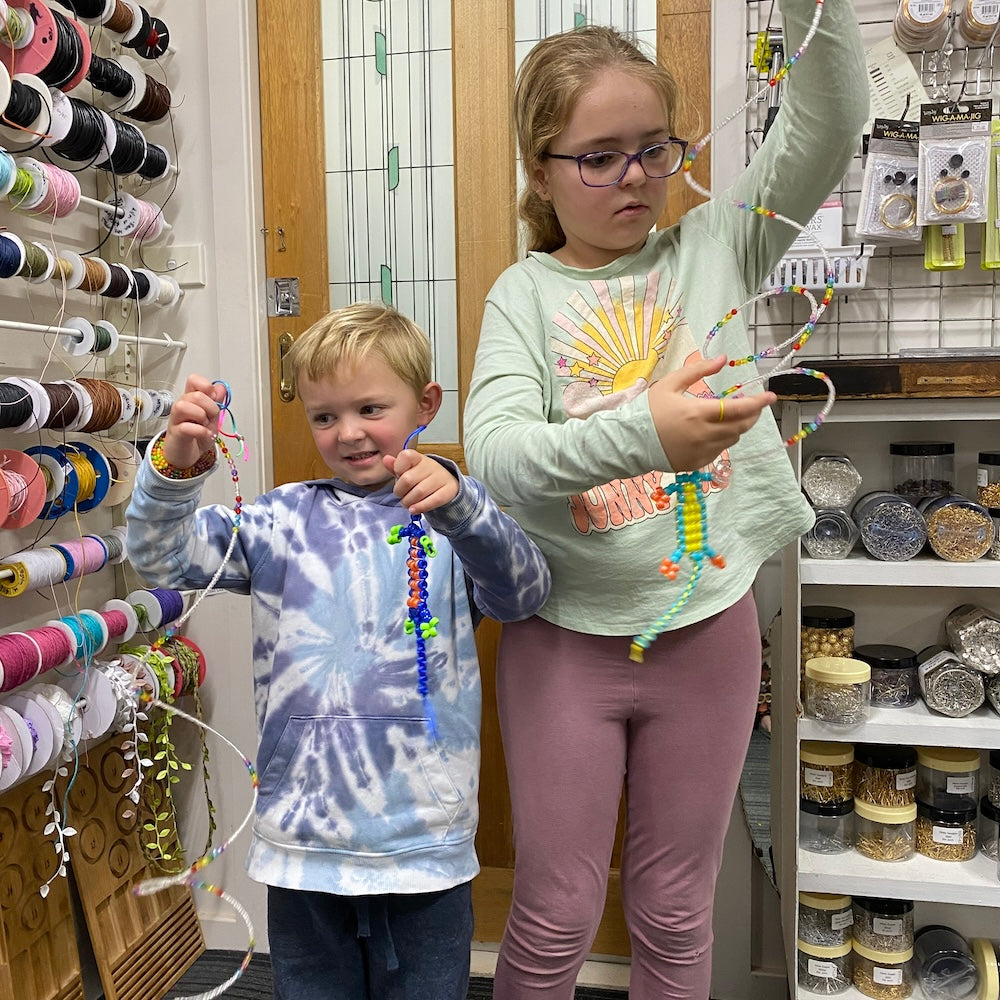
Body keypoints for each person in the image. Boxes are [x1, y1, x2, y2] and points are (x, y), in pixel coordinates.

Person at [462, 3, 868, 998]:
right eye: (597, 157)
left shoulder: (713, 248)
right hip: (565, 638)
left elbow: (831, 116)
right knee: (555, 916)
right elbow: (497, 456)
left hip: (710, 632)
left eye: (653, 148)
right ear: (541, 168)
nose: (634, 175)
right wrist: (649, 430)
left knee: (677, 913)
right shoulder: (524, 294)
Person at [126, 302, 551, 1000]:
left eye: (369, 408)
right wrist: (173, 468)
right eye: (325, 417)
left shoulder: (455, 512)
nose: (348, 432)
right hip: (304, 849)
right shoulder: (278, 520)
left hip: (425, 848)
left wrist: (465, 510)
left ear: (426, 403)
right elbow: (159, 557)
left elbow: (524, 594)